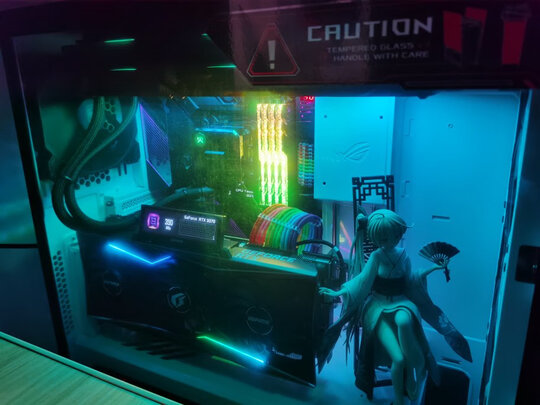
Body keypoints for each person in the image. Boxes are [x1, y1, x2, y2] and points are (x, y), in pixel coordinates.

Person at [319, 209, 471, 404]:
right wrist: (338, 292)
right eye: (383, 238)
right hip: (378, 307)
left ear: (399, 234)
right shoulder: (376, 257)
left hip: (401, 302)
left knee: (404, 320)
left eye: (395, 235)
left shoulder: (403, 255)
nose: (390, 240)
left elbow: (410, 280)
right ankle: (401, 396)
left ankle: (417, 368)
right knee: (398, 359)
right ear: (376, 238)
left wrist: (432, 268)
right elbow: (363, 281)